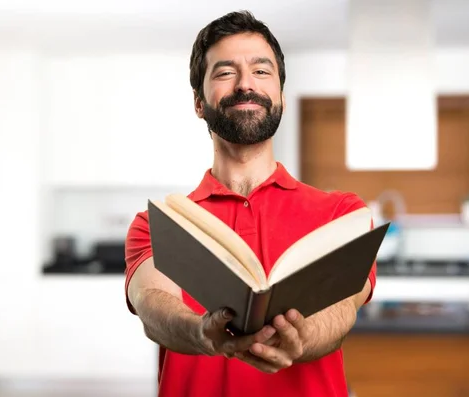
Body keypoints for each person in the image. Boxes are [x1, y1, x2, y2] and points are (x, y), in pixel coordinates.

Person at [124, 10, 377, 397]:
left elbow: (343, 308)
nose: (246, 84)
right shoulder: (158, 223)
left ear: (281, 97)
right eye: (225, 73)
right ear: (198, 102)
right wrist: (201, 333)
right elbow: (152, 303)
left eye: (262, 71)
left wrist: (301, 339)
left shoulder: (343, 214)